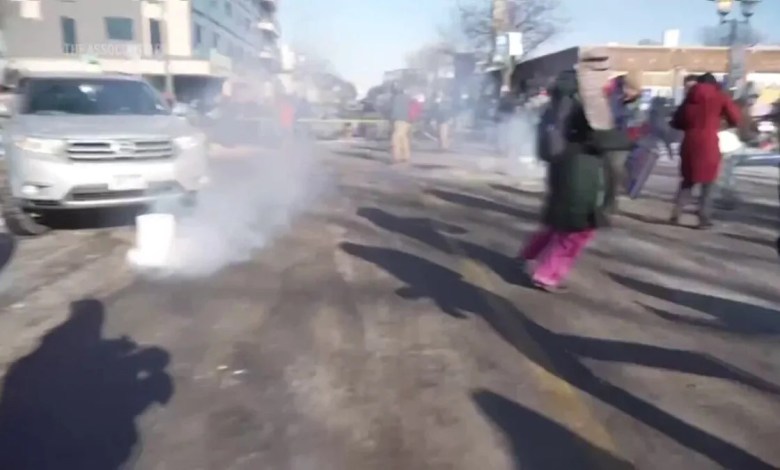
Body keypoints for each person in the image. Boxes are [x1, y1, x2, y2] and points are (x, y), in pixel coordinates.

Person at [519, 57, 633, 292]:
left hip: (563, 164)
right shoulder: (588, 97)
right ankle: (547, 274)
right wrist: (629, 138)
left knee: (561, 221)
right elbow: (601, 136)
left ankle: (531, 256)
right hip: (583, 166)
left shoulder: (564, 91)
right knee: (579, 227)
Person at [669, 72, 741, 228]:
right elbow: (735, 118)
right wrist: (722, 121)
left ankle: (676, 213)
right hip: (709, 144)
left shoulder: (689, 98)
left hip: (689, 142)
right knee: (708, 183)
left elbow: (675, 121)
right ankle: (704, 218)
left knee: (688, 179)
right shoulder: (720, 97)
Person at [602, 69, 642, 214]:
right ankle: (608, 202)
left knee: (614, 170)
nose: (629, 93)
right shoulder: (614, 96)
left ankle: (610, 202)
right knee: (611, 171)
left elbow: (636, 120)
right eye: (629, 89)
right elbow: (611, 115)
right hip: (612, 138)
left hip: (622, 140)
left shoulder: (630, 100)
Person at [390, 84, 412, 163]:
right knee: (403, 138)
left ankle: (397, 156)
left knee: (396, 138)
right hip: (407, 120)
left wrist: (392, 118)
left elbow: (393, 109)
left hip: (399, 120)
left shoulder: (395, 98)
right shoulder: (408, 98)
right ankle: (405, 155)